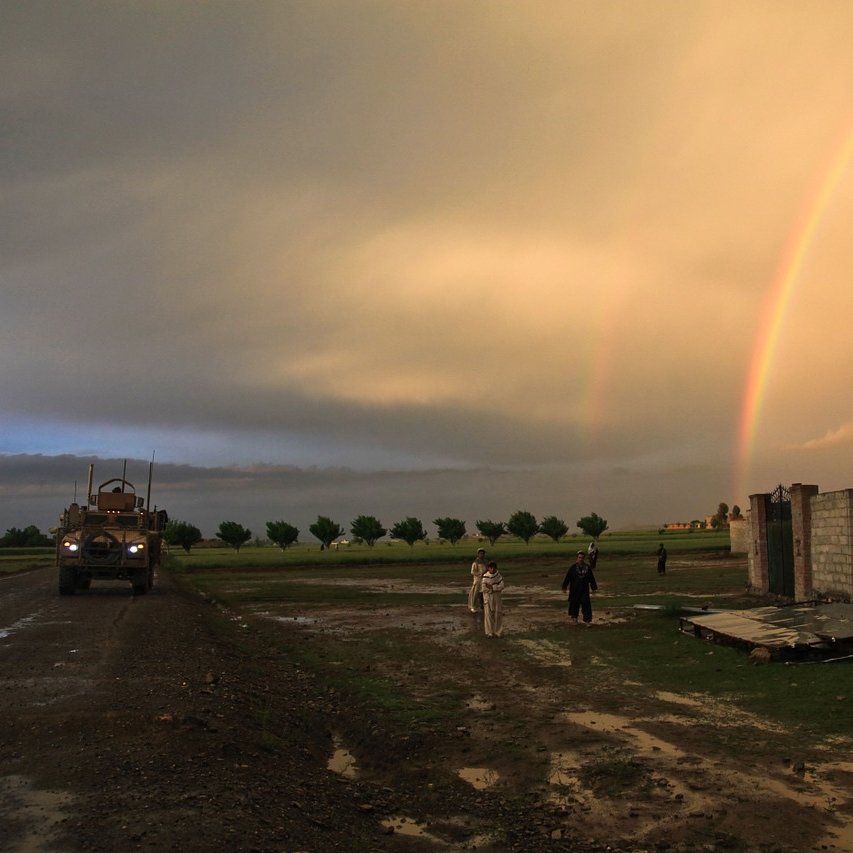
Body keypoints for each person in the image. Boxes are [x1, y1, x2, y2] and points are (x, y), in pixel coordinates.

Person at [561, 550, 598, 625]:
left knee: (586, 604)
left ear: (584, 559)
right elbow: (567, 578)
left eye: (582, 558)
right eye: (579, 557)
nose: (580, 559)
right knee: (574, 604)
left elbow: (591, 578)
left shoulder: (587, 568)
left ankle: (587, 621)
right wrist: (564, 587)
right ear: (577, 558)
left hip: (584, 590)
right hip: (574, 590)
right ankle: (574, 619)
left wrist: (594, 588)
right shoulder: (573, 568)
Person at [481, 561, 505, 637]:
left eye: (494, 567)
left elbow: (502, 586)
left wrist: (492, 587)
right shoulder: (485, 576)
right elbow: (483, 588)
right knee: (488, 615)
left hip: (497, 597)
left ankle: (498, 632)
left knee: (498, 614)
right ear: (488, 568)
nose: (492, 569)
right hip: (487, 598)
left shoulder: (498, 576)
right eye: (491, 567)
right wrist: (493, 589)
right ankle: (489, 632)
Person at [468, 548, 487, 612]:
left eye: (483, 554)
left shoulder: (485, 562)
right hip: (477, 580)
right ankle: (473, 606)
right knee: (475, 593)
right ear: (478, 554)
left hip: (484, 580)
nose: (482, 555)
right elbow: (472, 572)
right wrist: (480, 574)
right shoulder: (475, 562)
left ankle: (482, 606)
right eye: (481, 554)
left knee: (483, 593)